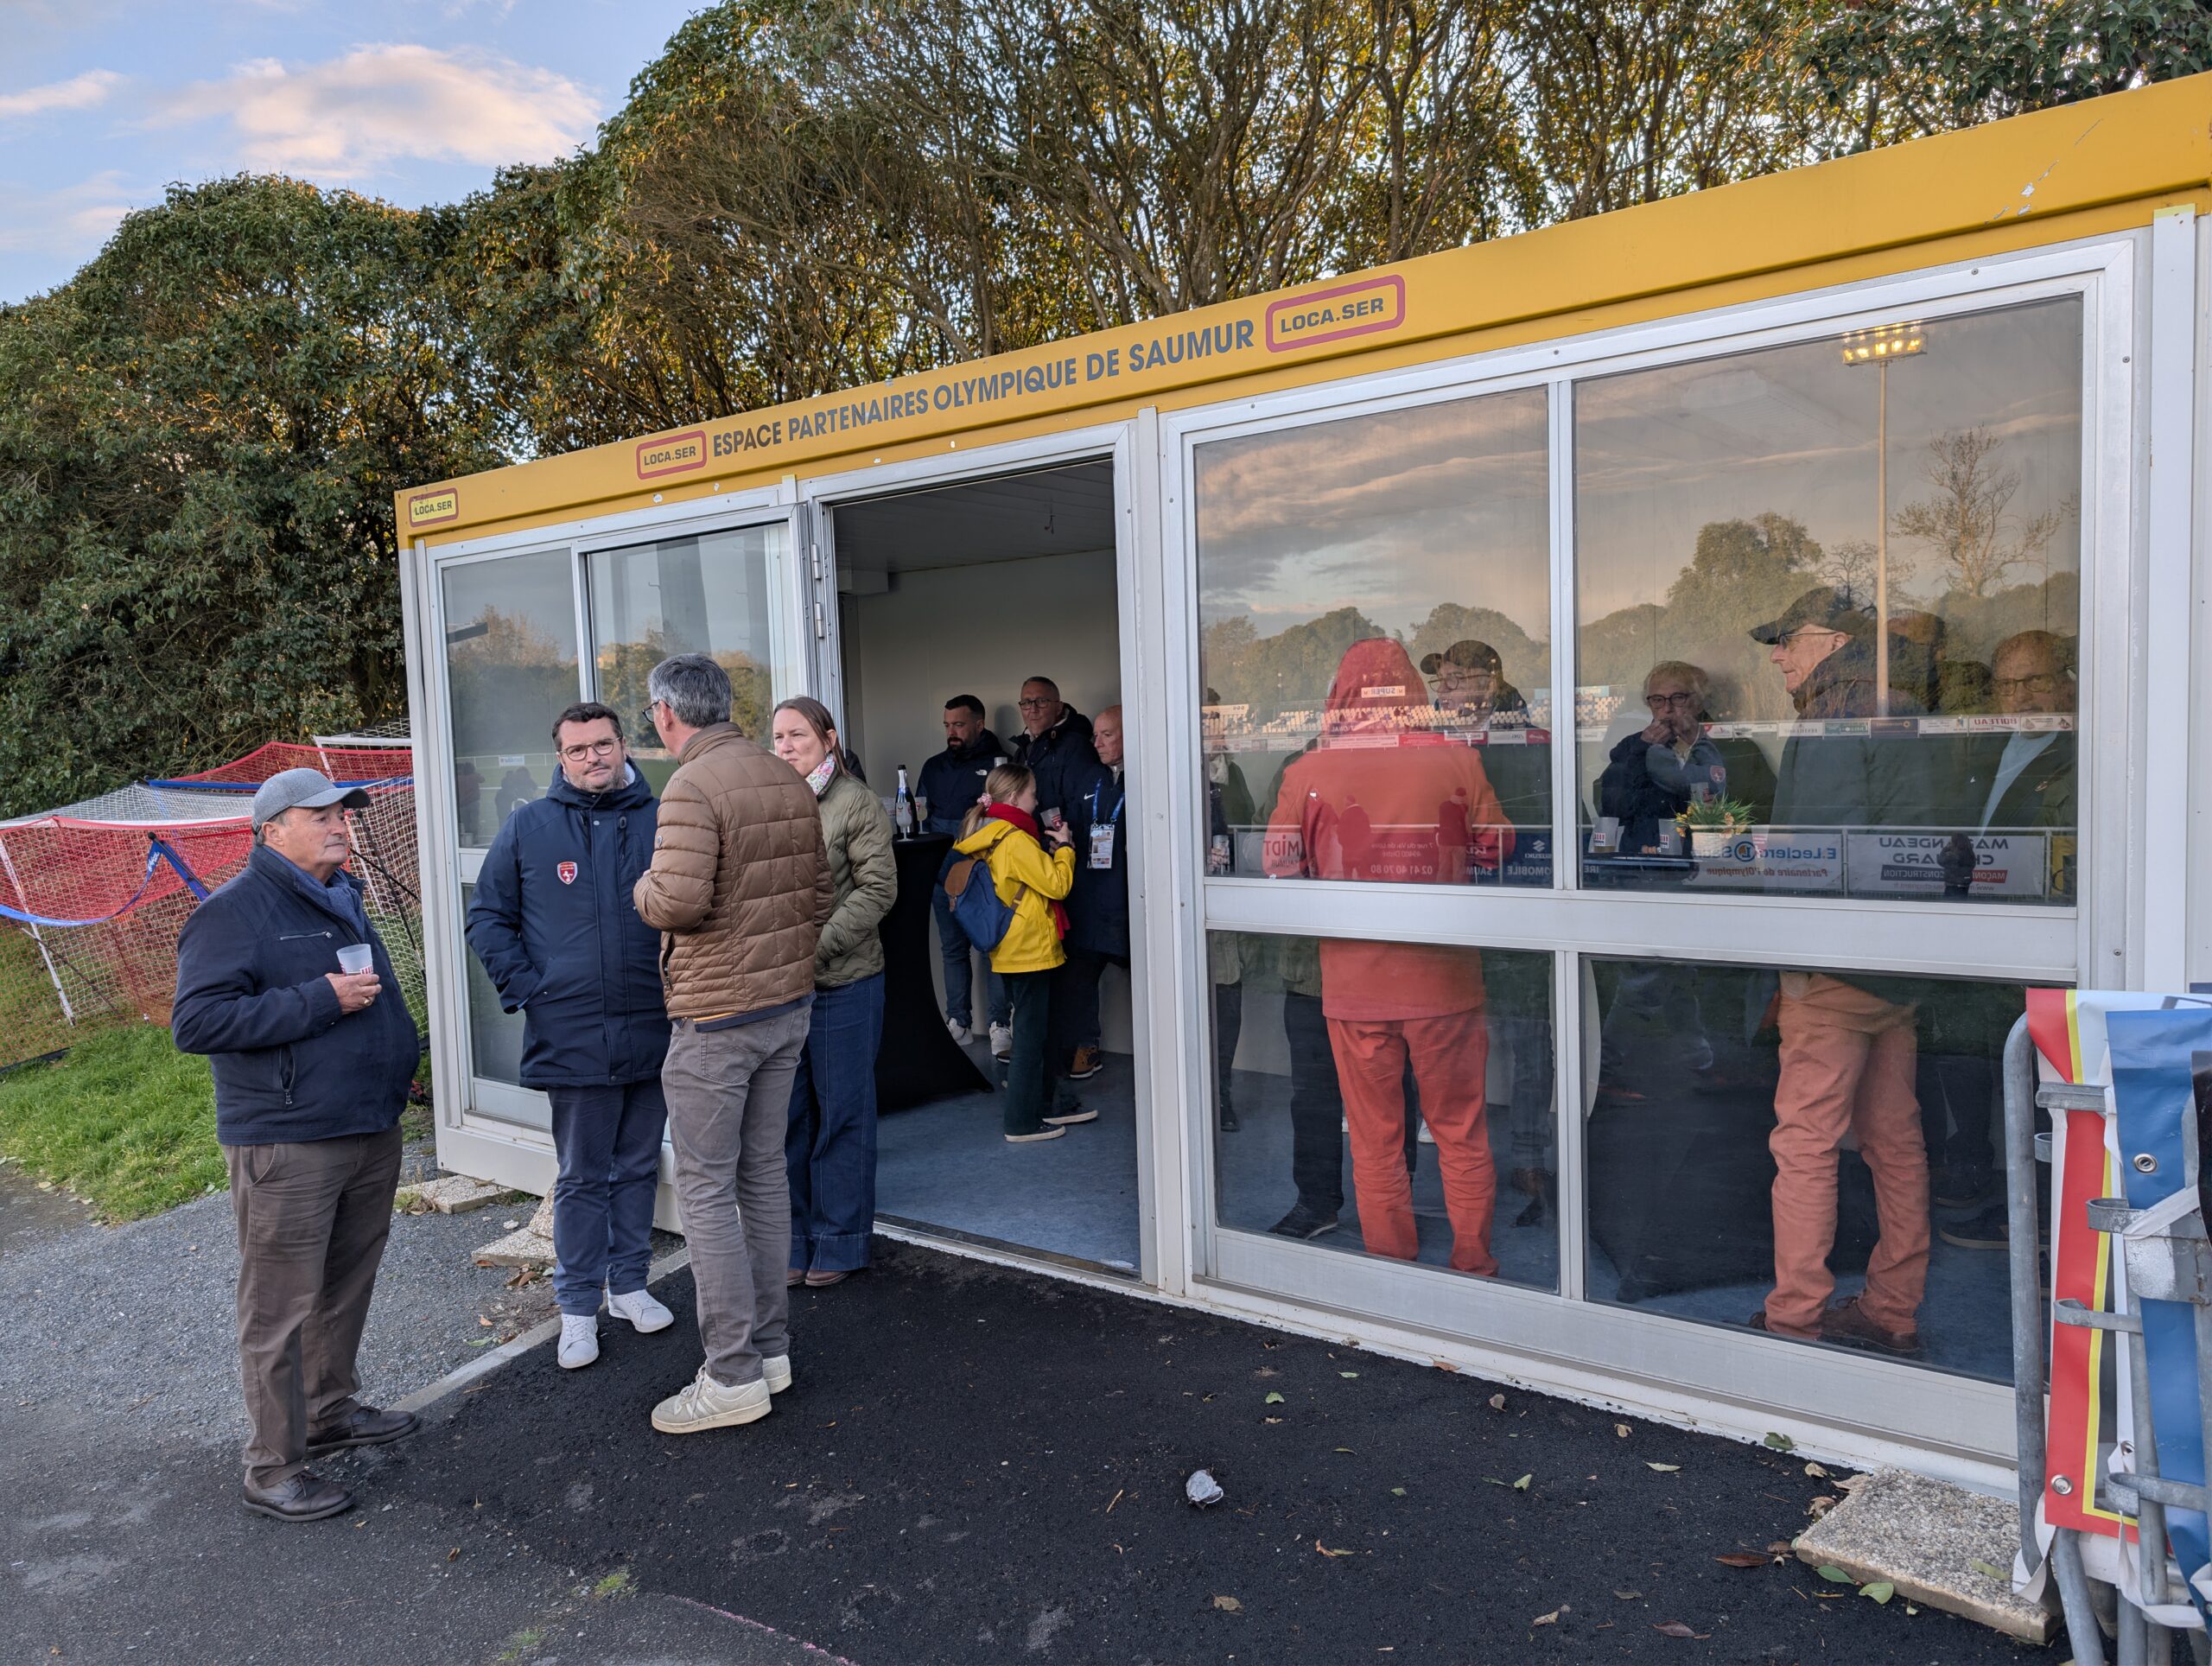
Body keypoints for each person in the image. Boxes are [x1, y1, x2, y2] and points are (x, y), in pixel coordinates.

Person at [172, 768, 423, 1522]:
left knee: (344, 1285)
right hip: (288, 1142)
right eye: (322, 816)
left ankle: (329, 1412)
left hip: (365, 1127)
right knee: (279, 1308)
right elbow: (199, 1023)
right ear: (273, 829)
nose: (341, 824)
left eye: (344, 813)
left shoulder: (341, 896)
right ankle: (272, 1468)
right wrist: (320, 1000)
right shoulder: (233, 913)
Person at [1264, 638, 1510, 1275]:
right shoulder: (1455, 758)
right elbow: (1499, 849)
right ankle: (1474, 1259)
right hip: (1447, 979)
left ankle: (1390, 1258)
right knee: (1460, 1128)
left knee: (1374, 1135)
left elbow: (1278, 865)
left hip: (1354, 984)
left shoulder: (1307, 771)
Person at [632, 653, 832, 1434]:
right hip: (785, 1008)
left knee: (708, 1192)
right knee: (762, 1179)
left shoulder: (690, 785)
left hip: (716, 1020)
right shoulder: (784, 775)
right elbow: (817, 893)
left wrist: (639, 886)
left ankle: (734, 1375)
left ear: (665, 714)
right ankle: (770, 1352)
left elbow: (676, 899)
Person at [1746, 588, 1931, 1356]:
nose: (1778, 656)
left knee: (1806, 1144)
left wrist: (1747, 862)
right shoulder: (1901, 702)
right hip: (1900, 964)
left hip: (1835, 965)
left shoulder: (1836, 712)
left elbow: (1813, 853)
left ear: (1824, 638)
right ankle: (1892, 1309)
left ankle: (1795, 1315)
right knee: (1896, 1142)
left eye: (1783, 641)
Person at [466, 702, 674, 1372]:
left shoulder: (663, 818)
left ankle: (630, 1286)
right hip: (572, 1033)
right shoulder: (529, 826)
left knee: (638, 1165)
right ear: (561, 757)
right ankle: (578, 1309)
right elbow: (488, 919)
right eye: (578, 749)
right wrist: (533, 990)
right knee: (583, 1177)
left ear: (624, 746)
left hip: (653, 1025)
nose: (593, 757)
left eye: (604, 744)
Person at [770, 696, 896, 1289]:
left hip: (845, 983)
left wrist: (812, 948)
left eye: (797, 734)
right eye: (777, 737)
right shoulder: (772, 802)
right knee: (791, 1117)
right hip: (782, 990)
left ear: (829, 737)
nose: (786, 745)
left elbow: (877, 892)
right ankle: (797, 1241)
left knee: (841, 1115)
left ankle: (841, 1242)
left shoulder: (855, 802)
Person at [952, 763, 1092, 1141]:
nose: (1037, 800)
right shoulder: (1013, 839)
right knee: (1029, 1039)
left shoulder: (991, 832)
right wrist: (1064, 849)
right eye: (1032, 794)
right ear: (1014, 798)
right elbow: (1057, 885)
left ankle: (1045, 1105)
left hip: (1011, 948)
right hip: (1028, 948)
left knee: (1036, 1032)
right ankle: (1021, 1121)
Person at [919, 695, 1010, 1050]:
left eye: (958, 725)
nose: (951, 732)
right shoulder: (933, 766)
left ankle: (1000, 1023)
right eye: (946, 725)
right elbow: (922, 818)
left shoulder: (1000, 764)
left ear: (978, 724)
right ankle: (959, 1020)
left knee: (992, 950)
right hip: (944, 878)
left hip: (986, 878)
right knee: (953, 950)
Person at [1055, 705, 1127, 1083]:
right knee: (1079, 980)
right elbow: (1072, 823)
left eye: (1107, 735)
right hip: (1089, 899)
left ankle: (1162, 1049)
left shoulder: (1153, 774)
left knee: (1154, 981)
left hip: (1132, 902)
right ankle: (1087, 1045)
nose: (1096, 743)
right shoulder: (1088, 777)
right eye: (1094, 735)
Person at [1595, 661, 1730, 855]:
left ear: (1699, 701)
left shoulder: (1725, 742)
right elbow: (1611, 807)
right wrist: (1641, 749)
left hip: (1715, 859)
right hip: (1647, 861)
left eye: (1678, 698)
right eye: (1658, 700)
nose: (1667, 709)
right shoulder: (1632, 746)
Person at [1008, 675, 1098, 829]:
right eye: (1026, 703)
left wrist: (1060, 839)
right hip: (1029, 844)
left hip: (1061, 845)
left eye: (1042, 702)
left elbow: (1082, 805)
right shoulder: (1023, 749)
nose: (1033, 709)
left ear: (1058, 707)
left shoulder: (1076, 746)